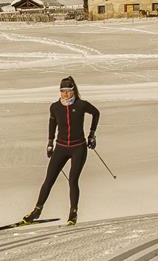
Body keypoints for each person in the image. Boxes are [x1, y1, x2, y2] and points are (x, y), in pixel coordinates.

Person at [22, 76, 100, 226]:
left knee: (73, 180)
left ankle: (73, 213)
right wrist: (50, 143)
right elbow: (52, 125)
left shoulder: (81, 105)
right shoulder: (55, 107)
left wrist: (92, 134)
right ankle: (37, 210)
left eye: (68, 91)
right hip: (61, 148)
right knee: (49, 180)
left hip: (78, 148)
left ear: (73, 91)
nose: (65, 94)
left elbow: (96, 113)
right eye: (62, 91)